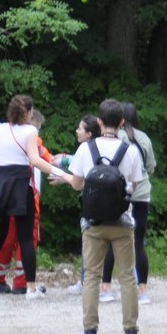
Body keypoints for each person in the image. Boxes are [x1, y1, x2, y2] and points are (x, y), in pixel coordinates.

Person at [0, 94, 72, 300]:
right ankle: (30, 289)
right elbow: (35, 160)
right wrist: (64, 175)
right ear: (27, 112)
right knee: (26, 238)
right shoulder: (30, 131)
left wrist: (2, 157)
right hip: (20, 186)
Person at [66, 98, 147, 334]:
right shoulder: (130, 150)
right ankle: (130, 331)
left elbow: (77, 184)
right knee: (126, 277)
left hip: (93, 223)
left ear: (99, 122)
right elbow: (134, 184)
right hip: (122, 223)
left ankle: (90, 331)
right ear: (122, 123)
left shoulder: (85, 149)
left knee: (91, 276)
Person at [0, 109, 55, 294]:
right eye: (37, 128)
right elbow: (50, 160)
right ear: (29, 122)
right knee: (27, 240)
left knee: (2, 239)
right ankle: (23, 284)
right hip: (25, 197)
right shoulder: (33, 141)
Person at [98, 101, 157, 305]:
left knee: (111, 240)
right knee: (138, 243)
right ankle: (143, 290)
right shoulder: (144, 138)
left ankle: (105, 287)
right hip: (141, 194)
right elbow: (150, 168)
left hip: (117, 195)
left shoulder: (114, 138)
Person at [63, 114, 101, 297]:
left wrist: (63, 177)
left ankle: (85, 282)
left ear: (89, 134)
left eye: (80, 128)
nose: (77, 131)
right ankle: (133, 287)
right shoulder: (109, 146)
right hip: (116, 203)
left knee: (90, 244)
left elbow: (79, 182)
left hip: (92, 203)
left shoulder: (85, 148)